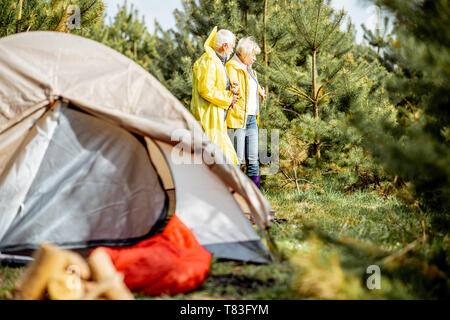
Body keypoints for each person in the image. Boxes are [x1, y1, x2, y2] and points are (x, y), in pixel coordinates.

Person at [190, 26, 239, 165]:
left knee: (226, 162)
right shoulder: (209, 61)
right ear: (225, 46)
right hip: (208, 120)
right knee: (217, 163)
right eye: (232, 46)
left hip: (216, 119)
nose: (232, 50)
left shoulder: (216, 61)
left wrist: (231, 91)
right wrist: (228, 98)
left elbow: (217, 87)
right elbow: (205, 90)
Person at [226, 37, 266, 188]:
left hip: (251, 119)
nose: (255, 58)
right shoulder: (232, 67)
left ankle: (254, 196)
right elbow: (235, 88)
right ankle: (232, 195)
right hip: (238, 120)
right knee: (237, 159)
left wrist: (260, 91)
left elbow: (250, 86)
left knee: (253, 159)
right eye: (253, 55)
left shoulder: (249, 70)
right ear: (245, 53)